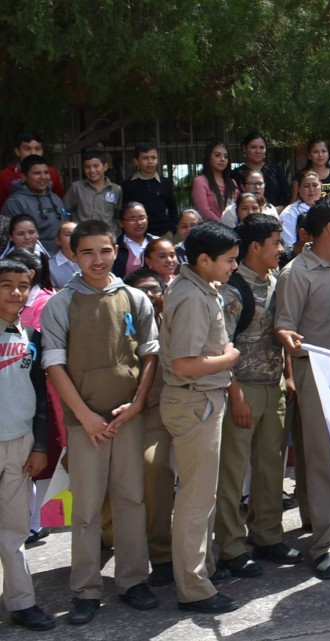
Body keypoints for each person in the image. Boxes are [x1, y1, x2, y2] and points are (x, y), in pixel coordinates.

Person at [40, 220, 160, 623]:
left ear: (115, 251)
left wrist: (137, 404)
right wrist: (85, 416)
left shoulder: (134, 297)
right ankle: (86, 589)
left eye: (105, 250)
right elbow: (54, 364)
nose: (98, 259)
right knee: (87, 509)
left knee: (131, 500)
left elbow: (149, 354)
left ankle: (133, 580)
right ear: (73, 254)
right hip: (84, 423)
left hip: (128, 418)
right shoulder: (61, 303)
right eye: (87, 252)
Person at [274, 198, 330, 580]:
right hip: (318, 372)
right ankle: (327, 542)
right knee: (323, 457)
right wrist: (288, 341)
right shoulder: (296, 273)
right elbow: (283, 326)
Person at [158, 221, 241, 613]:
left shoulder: (200, 286)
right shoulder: (192, 296)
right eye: (229, 260)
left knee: (202, 497)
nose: (234, 266)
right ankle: (193, 588)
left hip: (201, 400)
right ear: (204, 260)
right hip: (194, 401)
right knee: (195, 499)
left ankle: (202, 571)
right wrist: (229, 357)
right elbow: (186, 364)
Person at [215, 214, 302, 580]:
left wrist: (289, 376)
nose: (281, 249)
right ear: (255, 247)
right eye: (275, 243)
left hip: (274, 386)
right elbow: (220, 346)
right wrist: (235, 395)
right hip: (242, 388)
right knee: (232, 473)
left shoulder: (277, 280)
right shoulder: (232, 291)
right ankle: (231, 548)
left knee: (270, 468)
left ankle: (268, 537)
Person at [0, 259, 56, 631]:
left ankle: (22, 603)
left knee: (15, 531)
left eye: (23, 285)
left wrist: (39, 445)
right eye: (7, 285)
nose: (16, 292)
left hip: (20, 446)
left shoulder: (31, 336)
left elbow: (40, 396)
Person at [120, 266, 175, 589]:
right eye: (143, 291)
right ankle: (158, 554)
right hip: (140, 412)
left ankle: (177, 553)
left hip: (181, 408)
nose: (151, 296)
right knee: (150, 469)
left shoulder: (177, 317)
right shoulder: (125, 325)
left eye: (156, 289)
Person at [0, 155, 68, 254]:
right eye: (37, 173)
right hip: (31, 256)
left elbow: (65, 224)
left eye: (46, 173)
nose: (43, 177)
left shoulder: (56, 198)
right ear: (24, 177)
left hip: (61, 255)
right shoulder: (14, 202)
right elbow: (5, 238)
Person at [121, 142, 178, 237]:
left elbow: (173, 209)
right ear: (136, 161)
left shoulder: (165, 182)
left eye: (153, 158)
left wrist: (171, 230)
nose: (150, 161)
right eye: (145, 158)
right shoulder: (127, 184)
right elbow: (123, 212)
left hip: (163, 234)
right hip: (136, 235)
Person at [0, 132, 64, 209]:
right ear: (17, 151)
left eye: (37, 149)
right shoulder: (4, 176)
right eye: (27, 149)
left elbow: (60, 201)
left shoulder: (52, 173)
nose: (33, 153)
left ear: (42, 151)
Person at [64, 148, 122, 231]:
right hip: (82, 235)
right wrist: (68, 226)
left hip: (107, 235)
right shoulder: (76, 187)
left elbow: (119, 215)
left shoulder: (116, 190)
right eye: (87, 167)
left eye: (96, 166)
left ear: (105, 167)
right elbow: (65, 210)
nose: (92, 170)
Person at [234, 131, 290, 211]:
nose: (258, 151)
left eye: (261, 147)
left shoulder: (276, 171)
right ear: (244, 148)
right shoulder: (236, 174)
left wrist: (271, 211)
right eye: (253, 147)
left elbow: (286, 198)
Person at [190, 143, 237, 223]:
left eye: (226, 157)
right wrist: (224, 226)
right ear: (208, 158)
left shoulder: (232, 183)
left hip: (233, 227)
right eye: (217, 155)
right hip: (211, 228)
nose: (222, 159)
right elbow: (205, 211)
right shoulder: (200, 181)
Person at [110, 203, 158, 278]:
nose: (139, 223)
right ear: (121, 223)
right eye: (133, 219)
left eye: (142, 218)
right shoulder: (114, 246)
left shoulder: (157, 243)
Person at [280, 171, 324, 248]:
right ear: (299, 190)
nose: (311, 190)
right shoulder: (289, 213)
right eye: (306, 186)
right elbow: (289, 246)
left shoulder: (326, 209)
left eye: (315, 185)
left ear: (321, 187)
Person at [50, 221, 80, 288]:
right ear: (58, 240)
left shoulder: (89, 261)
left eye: (76, 234)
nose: (73, 238)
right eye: (68, 234)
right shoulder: (49, 266)